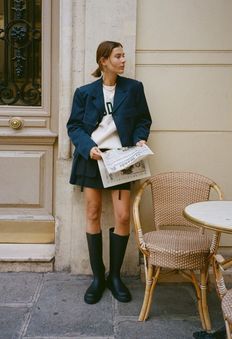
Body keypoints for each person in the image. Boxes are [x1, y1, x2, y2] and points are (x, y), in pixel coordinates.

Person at [67, 41, 152, 305]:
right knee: (92, 212)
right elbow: (74, 126)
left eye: (124, 55)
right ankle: (97, 278)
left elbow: (143, 120)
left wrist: (139, 139)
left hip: (122, 159)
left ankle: (115, 277)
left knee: (123, 216)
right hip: (93, 158)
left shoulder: (133, 88)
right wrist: (88, 147)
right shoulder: (84, 92)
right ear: (104, 60)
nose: (123, 59)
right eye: (118, 55)